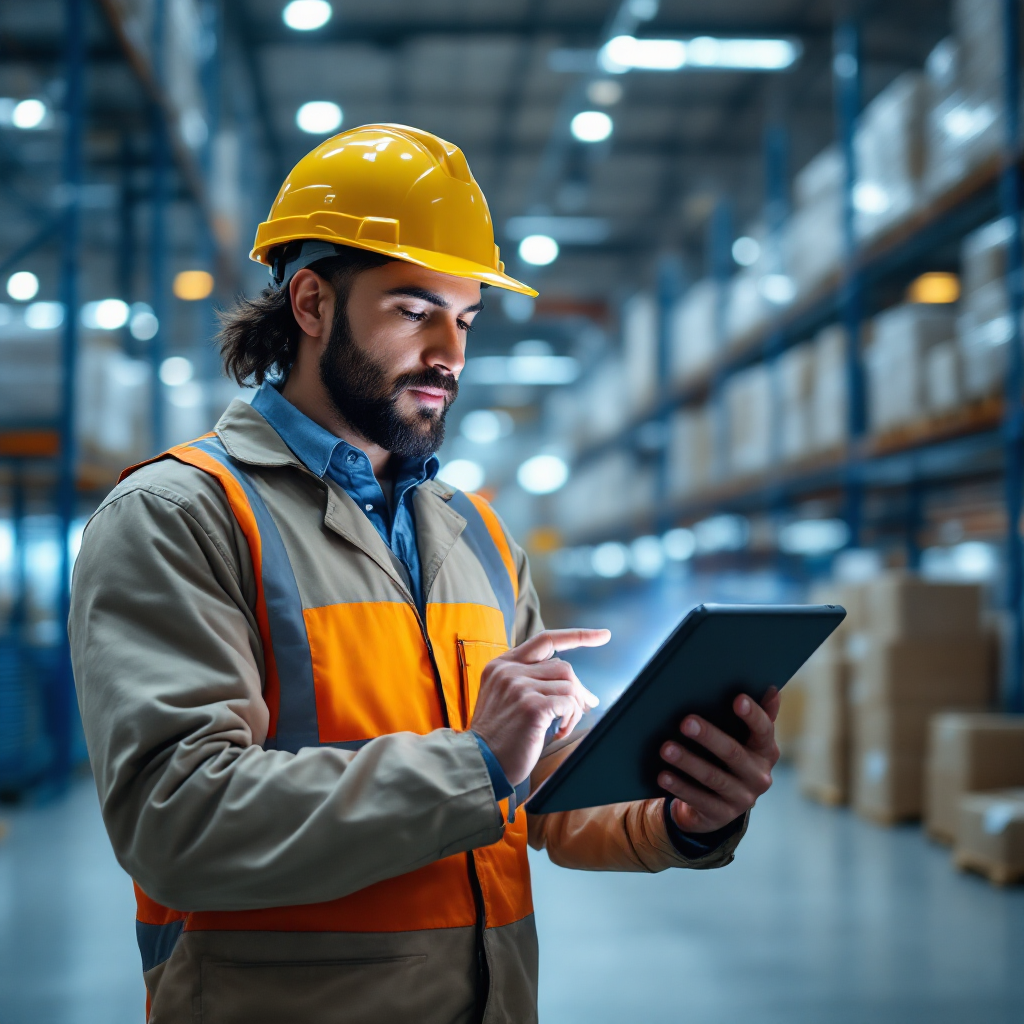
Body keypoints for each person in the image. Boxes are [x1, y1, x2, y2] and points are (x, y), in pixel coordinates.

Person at [70, 124, 779, 1024]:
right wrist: (475, 761)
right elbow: (178, 820)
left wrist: (684, 812)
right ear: (313, 303)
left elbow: (544, 792)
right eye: (414, 311)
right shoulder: (182, 515)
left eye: (467, 318)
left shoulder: (475, 533)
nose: (451, 351)